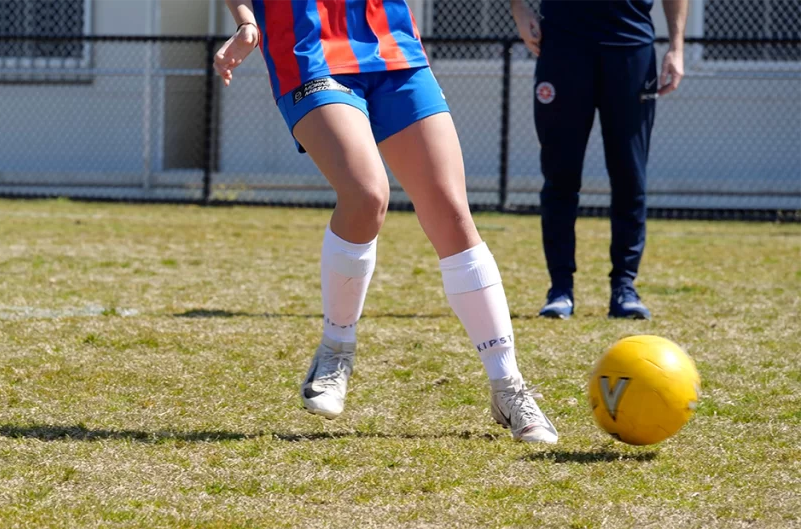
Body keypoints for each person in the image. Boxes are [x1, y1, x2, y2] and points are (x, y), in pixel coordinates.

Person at [214, 0, 557, 443]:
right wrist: (246, 22)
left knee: (450, 212)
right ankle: (336, 348)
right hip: (309, 52)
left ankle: (508, 388)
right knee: (366, 194)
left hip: (394, 49)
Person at [510, 0, 688, 320]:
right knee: (560, 176)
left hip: (631, 47)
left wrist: (677, 46)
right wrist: (519, 10)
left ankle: (624, 287)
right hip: (563, 48)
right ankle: (560, 289)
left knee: (629, 177)